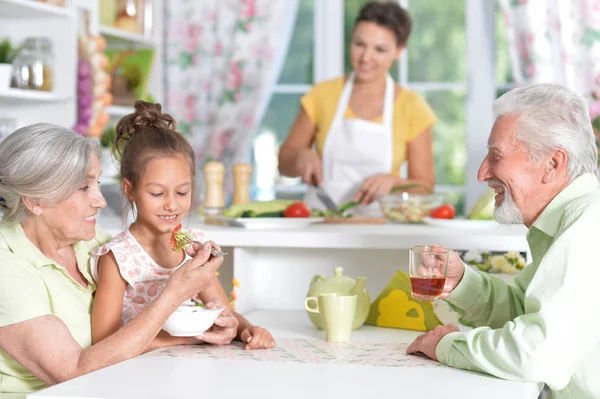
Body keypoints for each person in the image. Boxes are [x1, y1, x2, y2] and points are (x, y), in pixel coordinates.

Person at [0, 123, 233, 398]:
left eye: (96, 183)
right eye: (83, 187)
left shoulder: (88, 238)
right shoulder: (8, 267)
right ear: (35, 201)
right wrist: (175, 292)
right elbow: (72, 372)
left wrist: (203, 332)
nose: (100, 201)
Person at [406, 83, 600, 398]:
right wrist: (460, 282)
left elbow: (536, 354)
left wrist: (446, 346)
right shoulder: (572, 220)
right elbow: (525, 310)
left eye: (495, 155)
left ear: (552, 164)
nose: (482, 173)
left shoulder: (588, 226)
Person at [90, 101, 275, 351]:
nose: (171, 205)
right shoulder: (118, 258)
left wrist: (246, 330)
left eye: (182, 192)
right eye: (157, 193)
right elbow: (103, 342)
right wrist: (189, 338)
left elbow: (224, 313)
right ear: (129, 189)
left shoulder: (193, 247)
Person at [278, 1, 437, 216]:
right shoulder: (322, 94)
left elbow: (425, 188)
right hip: (321, 221)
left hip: (379, 228)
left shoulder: (413, 107)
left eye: (380, 49)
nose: (365, 58)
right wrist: (300, 157)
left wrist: (395, 182)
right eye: (359, 44)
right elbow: (283, 163)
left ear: (399, 51)